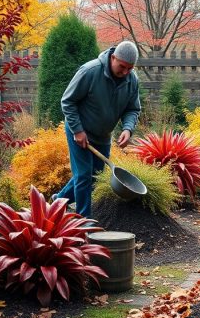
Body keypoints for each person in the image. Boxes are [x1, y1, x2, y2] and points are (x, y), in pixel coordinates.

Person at [53, 40, 141, 218]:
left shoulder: (132, 80)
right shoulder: (90, 71)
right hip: (79, 131)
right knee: (84, 175)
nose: (125, 72)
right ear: (113, 57)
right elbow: (68, 101)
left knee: (94, 177)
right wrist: (77, 130)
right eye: (122, 67)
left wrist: (128, 128)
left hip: (103, 136)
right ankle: (83, 223)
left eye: (129, 69)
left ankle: (58, 201)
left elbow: (133, 108)